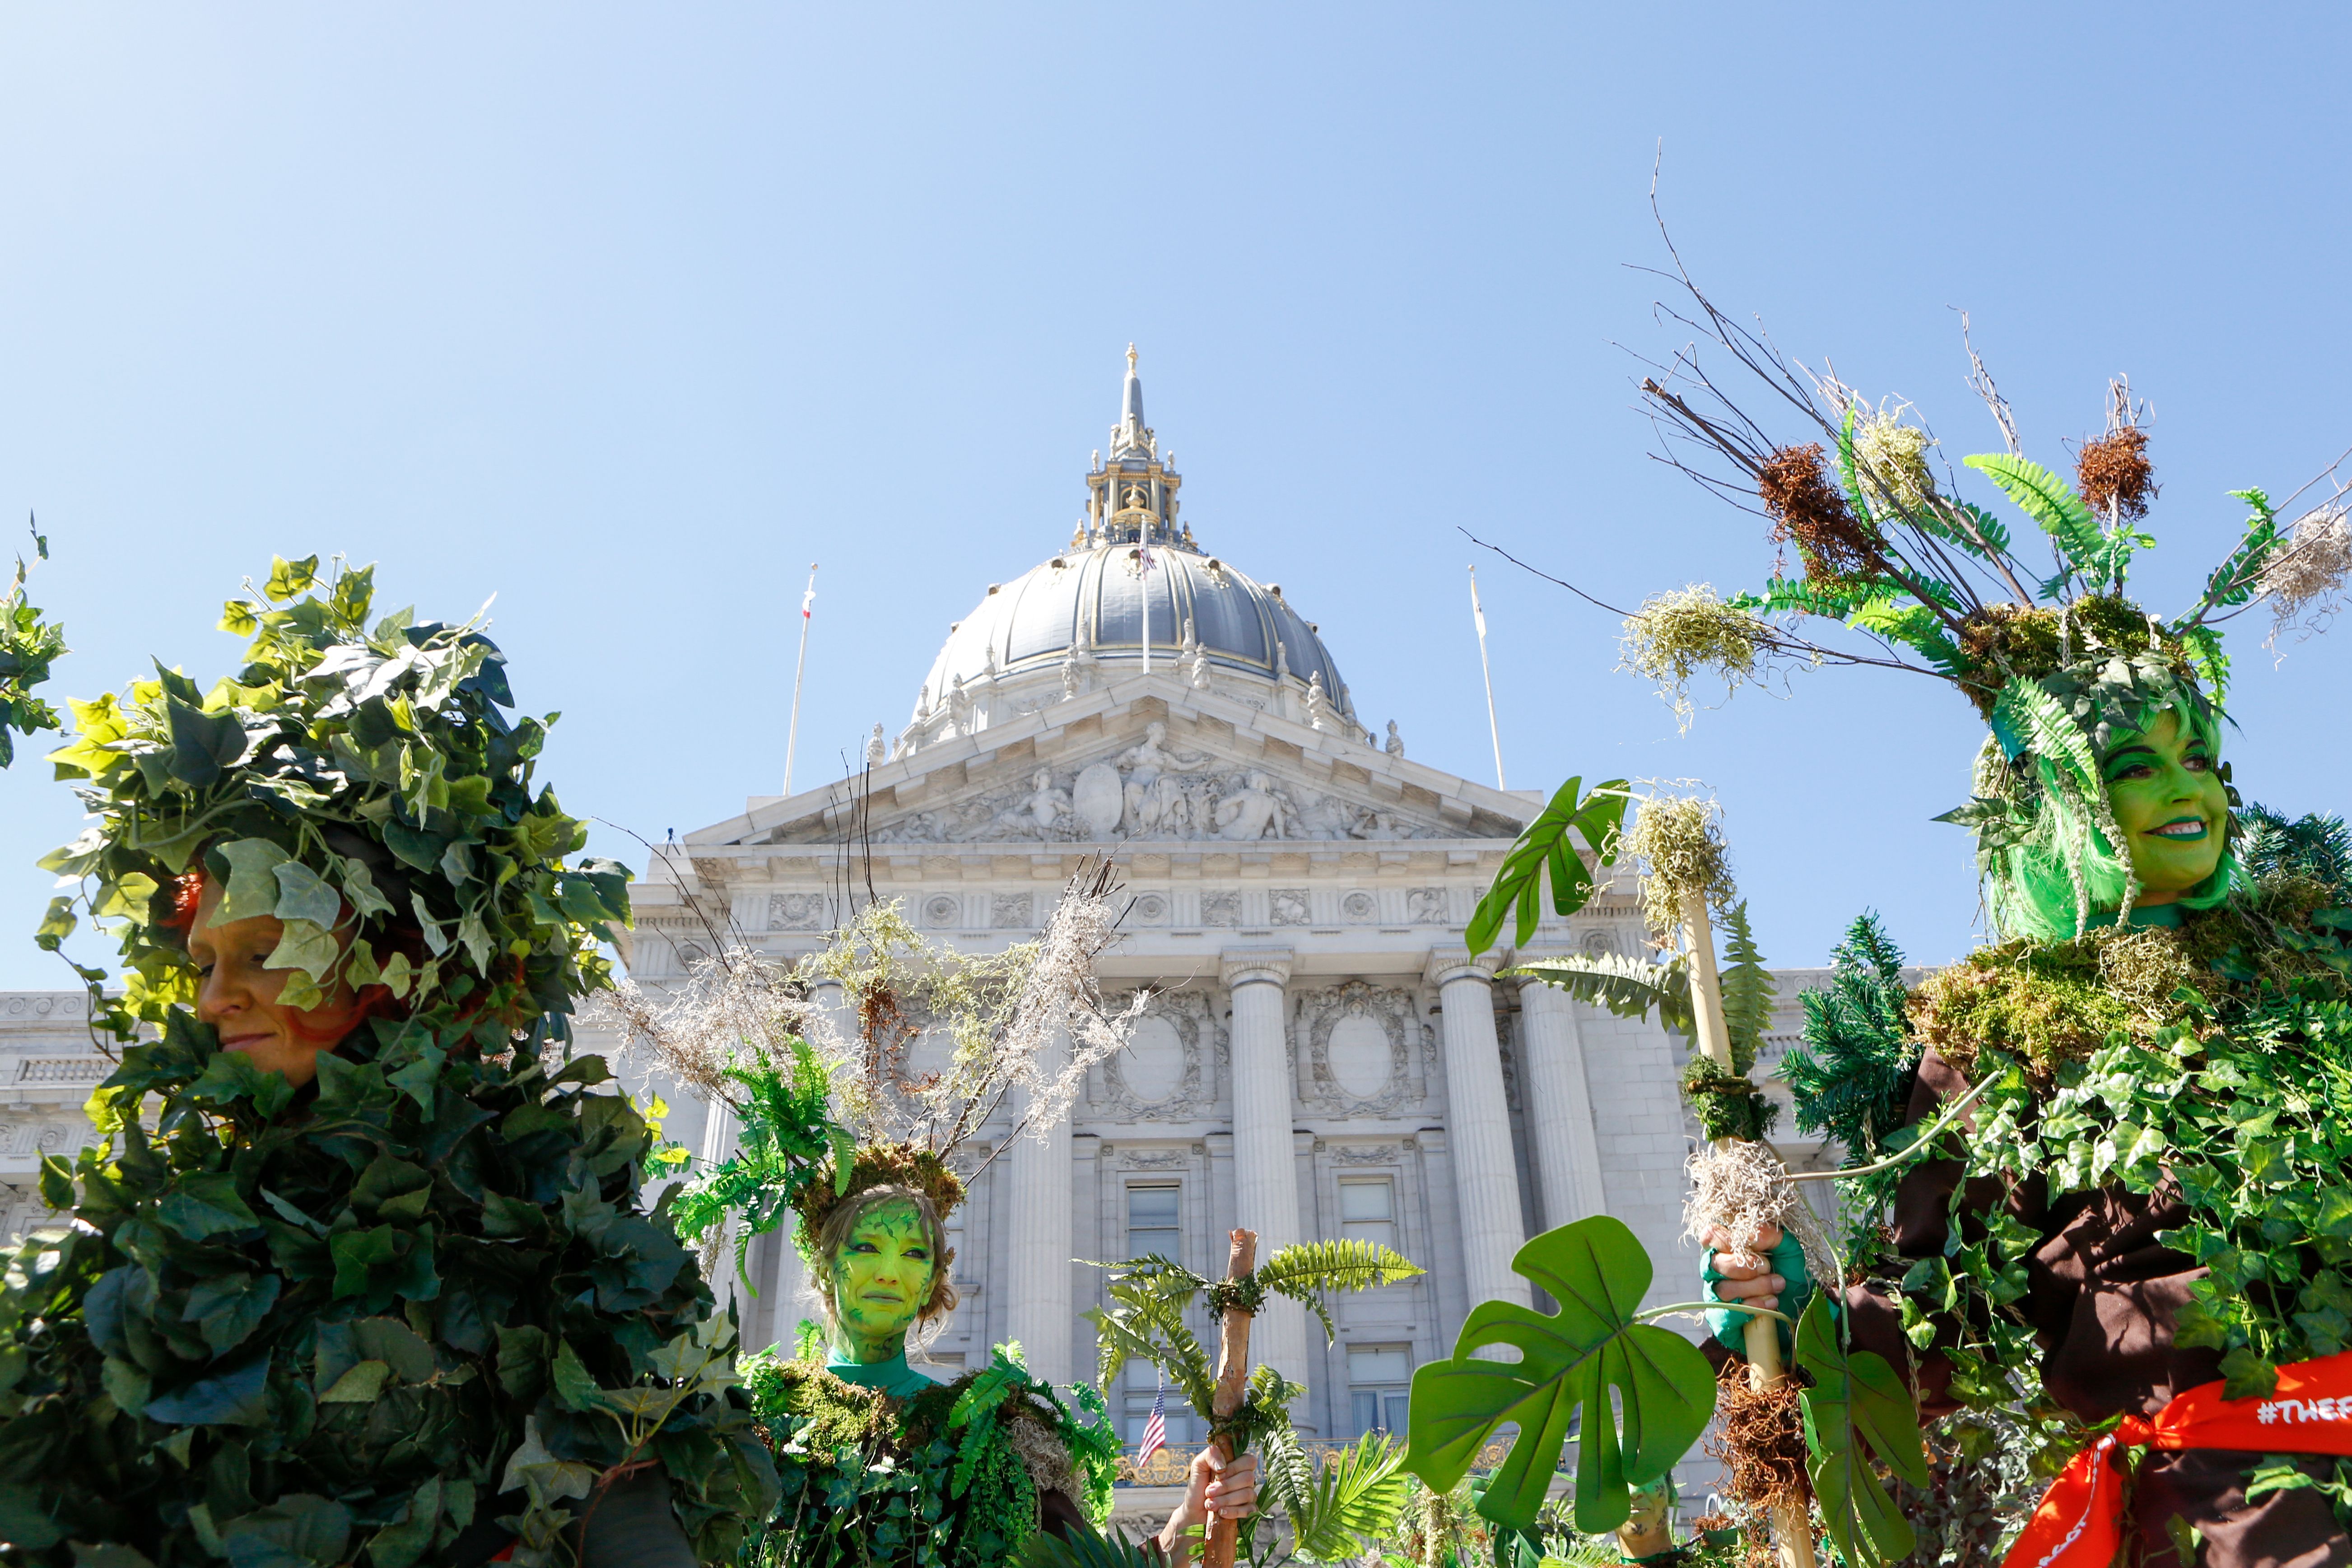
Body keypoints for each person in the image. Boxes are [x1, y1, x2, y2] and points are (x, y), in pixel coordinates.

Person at [0, 557, 774, 1567]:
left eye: (263, 953)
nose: (214, 998)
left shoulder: (558, 1262)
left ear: (386, 964)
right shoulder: (143, 1247)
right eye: (202, 963)